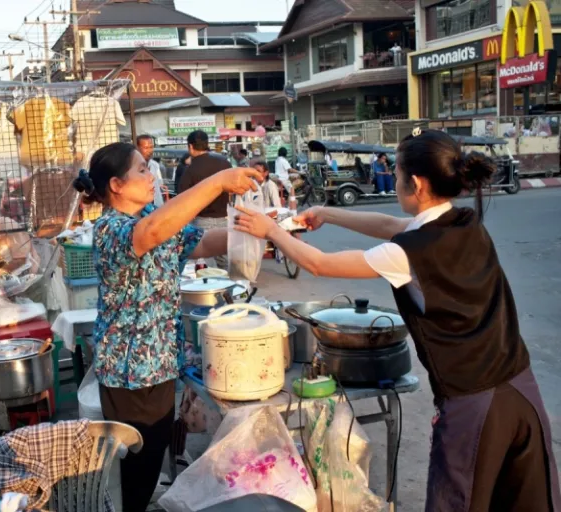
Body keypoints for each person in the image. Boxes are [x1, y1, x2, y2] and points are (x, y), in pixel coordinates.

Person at [233, 130, 560, 512]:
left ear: (416, 183)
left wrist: (271, 231)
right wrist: (328, 214)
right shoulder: (466, 221)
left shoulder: (409, 254)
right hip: (523, 392)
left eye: (398, 170)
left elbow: (318, 264)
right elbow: (391, 227)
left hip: (474, 405)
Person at [73, 143, 261, 512]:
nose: (150, 176)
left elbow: (202, 241)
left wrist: (260, 228)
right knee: (138, 464)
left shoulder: (151, 216)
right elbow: (154, 233)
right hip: (131, 373)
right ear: (116, 184)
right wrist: (219, 180)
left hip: (159, 361)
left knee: (151, 453)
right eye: (142, 170)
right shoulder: (112, 229)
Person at [178, 130, 232, 269]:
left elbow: (182, 198)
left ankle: (210, 290)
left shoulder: (190, 169)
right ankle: (229, 289)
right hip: (224, 218)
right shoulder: (224, 163)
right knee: (225, 261)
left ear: (190, 146)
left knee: (203, 266)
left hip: (201, 221)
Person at [136, 134, 164, 207]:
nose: (149, 151)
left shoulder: (155, 165)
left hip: (156, 208)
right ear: (137, 148)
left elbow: (160, 186)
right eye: (146, 147)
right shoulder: (132, 168)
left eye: (151, 147)